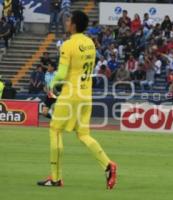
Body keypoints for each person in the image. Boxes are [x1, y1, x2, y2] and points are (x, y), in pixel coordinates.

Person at [37, 11, 117, 189]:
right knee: (83, 134)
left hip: (70, 95)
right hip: (85, 95)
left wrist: (51, 84)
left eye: (69, 19)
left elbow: (63, 73)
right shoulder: (90, 43)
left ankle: (56, 178)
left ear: (73, 24)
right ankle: (108, 165)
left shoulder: (68, 45)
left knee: (55, 131)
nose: (66, 22)